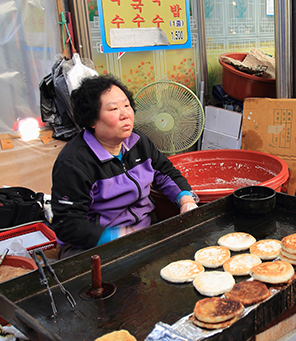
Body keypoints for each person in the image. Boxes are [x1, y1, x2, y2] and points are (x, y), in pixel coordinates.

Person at [51, 75, 197, 258]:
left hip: (143, 233)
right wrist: (116, 236)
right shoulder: (73, 163)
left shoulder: (139, 142)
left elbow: (165, 172)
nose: (125, 114)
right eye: (113, 109)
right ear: (91, 120)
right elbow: (68, 224)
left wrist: (186, 199)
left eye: (127, 105)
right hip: (93, 248)